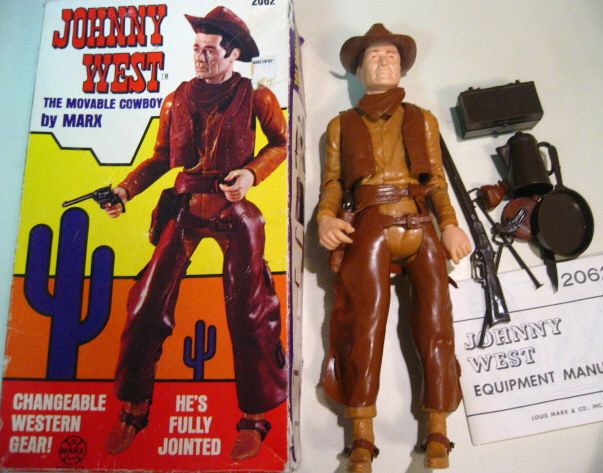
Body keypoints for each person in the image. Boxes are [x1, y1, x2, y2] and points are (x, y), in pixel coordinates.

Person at [103, 6, 288, 460]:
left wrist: (251, 174)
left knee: (249, 308)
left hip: (232, 206)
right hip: (185, 206)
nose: (201, 57)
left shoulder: (257, 96)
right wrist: (125, 190)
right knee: (146, 304)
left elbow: (281, 143)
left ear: (234, 53)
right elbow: (161, 158)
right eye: (197, 49)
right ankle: (134, 406)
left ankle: (254, 415)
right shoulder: (177, 99)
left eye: (210, 50)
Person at [317, 24, 471, 471]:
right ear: (359, 70)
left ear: (401, 68)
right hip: (370, 220)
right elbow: (333, 183)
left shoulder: (422, 119)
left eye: (391, 56)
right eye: (373, 56)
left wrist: (450, 225)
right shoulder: (341, 125)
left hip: (418, 218)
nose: (383, 61)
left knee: (436, 320)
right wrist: (326, 217)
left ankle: (438, 427)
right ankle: (361, 435)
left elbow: (436, 181)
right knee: (362, 323)